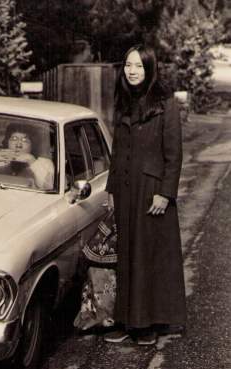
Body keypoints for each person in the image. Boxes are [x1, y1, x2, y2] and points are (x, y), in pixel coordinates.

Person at [104, 44, 186, 346]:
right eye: (128, 65)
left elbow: (174, 154)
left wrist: (165, 193)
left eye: (138, 65)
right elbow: (117, 151)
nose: (132, 71)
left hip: (151, 192)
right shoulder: (123, 101)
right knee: (126, 256)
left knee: (148, 257)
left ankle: (148, 323)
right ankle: (125, 321)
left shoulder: (166, 103)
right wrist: (110, 190)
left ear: (150, 68)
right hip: (125, 191)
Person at [0, 123, 55, 190]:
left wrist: (31, 161)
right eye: (14, 139)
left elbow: (48, 188)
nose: (18, 145)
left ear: (32, 144)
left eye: (24, 140)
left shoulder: (44, 163)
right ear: (7, 143)